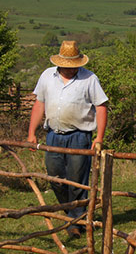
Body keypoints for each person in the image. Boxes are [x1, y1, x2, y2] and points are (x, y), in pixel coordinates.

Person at [27, 41, 108, 239]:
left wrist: (99, 137)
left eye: (75, 66)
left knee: (77, 180)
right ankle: (70, 211)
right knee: (55, 176)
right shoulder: (47, 76)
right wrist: (31, 133)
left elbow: (101, 106)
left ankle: (76, 221)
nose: (71, 70)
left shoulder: (89, 78)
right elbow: (39, 104)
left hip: (79, 135)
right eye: (68, 66)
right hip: (54, 135)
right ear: (60, 63)